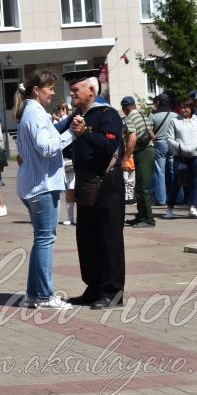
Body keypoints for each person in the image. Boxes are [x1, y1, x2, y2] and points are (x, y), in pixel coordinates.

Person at [63, 69, 125, 310]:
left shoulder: (107, 114)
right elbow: (62, 139)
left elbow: (109, 144)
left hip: (107, 182)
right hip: (86, 183)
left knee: (109, 238)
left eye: (75, 90)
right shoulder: (77, 115)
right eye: (71, 91)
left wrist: (85, 133)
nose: (72, 95)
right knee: (87, 238)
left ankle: (113, 292)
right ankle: (94, 287)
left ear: (91, 90)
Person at [13, 70, 76, 309]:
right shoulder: (35, 114)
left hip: (36, 183)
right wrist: (71, 134)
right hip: (42, 185)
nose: (52, 92)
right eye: (49, 88)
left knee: (41, 240)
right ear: (36, 90)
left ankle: (34, 294)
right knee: (45, 240)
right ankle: (45, 295)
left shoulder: (32, 112)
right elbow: (46, 147)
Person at [120, 96, 155, 228]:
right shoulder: (143, 116)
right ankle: (141, 217)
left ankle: (149, 219)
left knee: (143, 188)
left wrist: (125, 158)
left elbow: (132, 138)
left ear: (124, 108)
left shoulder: (129, 119)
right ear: (134, 105)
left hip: (143, 152)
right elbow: (153, 135)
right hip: (150, 150)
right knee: (140, 186)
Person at [169, 98, 197, 219]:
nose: (184, 109)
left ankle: (192, 207)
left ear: (191, 108)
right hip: (180, 157)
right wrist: (180, 147)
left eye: (186, 107)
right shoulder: (174, 121)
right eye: (182, 107)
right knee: (177, 182)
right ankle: (170, 207)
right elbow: (169, 138)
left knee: (195, 182)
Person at [150, 92, 177, 207]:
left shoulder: (153, 115)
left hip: (160, 143)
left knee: (159, 171)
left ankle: (161, 199)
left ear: (159, 102)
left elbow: (150, 131)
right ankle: (178, 198)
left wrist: (154, 137)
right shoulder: (175, 115)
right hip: (172, 143)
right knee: (173, 171)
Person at [52, 101, 76, 225]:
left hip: (77, 157)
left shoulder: (71, 119)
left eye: (63, 108)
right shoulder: (58, 122)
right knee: (70, 188)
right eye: (59, 108)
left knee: (78, 188)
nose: (61, 110)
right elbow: (55, 131)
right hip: (67, 159)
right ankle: (69, 216)